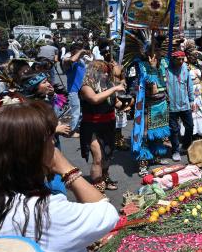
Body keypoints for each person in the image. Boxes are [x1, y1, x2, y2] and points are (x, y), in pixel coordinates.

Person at [0, 100, 119, 252]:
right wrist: (67, 170)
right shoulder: (40, 211)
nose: (54, 145)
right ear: (30, 153)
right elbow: (106, 214)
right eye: (49, 139)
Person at [79, 61, 126, 192]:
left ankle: (105, 177)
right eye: (103, 71)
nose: (106, 74)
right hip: (92, 126)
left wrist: (125, 103)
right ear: (93, 72)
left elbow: (116, 103)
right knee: (98, 158)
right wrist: (114, 88)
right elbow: (94, 99)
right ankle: (97, 187)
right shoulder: (86, 86)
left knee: (108, 155)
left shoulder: (108, 84)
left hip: (109, 124)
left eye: (107, 71)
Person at [133, 51, 170, 176]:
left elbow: (166, 83)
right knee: (145, 134)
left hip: (162, 103)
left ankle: (156, 157)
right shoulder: (142, 65)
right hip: (148, 105)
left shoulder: (164, 62)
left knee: (158, 134)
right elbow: (152, 89)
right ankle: (143, 163)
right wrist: (153, 68)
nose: (156, 54)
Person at [164, 50, 195, 161]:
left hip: (185, 104)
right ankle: (175, 151)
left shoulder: (185, 69)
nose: (181, 61)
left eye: (183, 59)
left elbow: (189, 85)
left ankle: (186, 146)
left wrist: (192, 100)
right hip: (171, 105)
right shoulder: (166, 70)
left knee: (190, 126)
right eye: (179, 59)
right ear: (173, 59)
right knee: (174, 130)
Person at [62, 43, 90, 138]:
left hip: (82, 89)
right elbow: (72, 59)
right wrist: (81, 51)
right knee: (75, 111)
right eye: (79, 52)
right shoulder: (67, 60)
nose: (81, 54)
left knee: (82, 111)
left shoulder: (82, 61)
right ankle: (71, 132)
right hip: (73, 90)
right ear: (73, 52)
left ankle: (76, 127)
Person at [184, 43, 202, 138]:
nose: (194, 56)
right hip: (190, 91)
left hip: (201, 90)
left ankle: (199, 131)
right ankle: (191, 133)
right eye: (191, 54)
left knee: (201, 110)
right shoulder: (185, 65)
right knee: (192, 111)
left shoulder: (199, 63)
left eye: (195, 54)